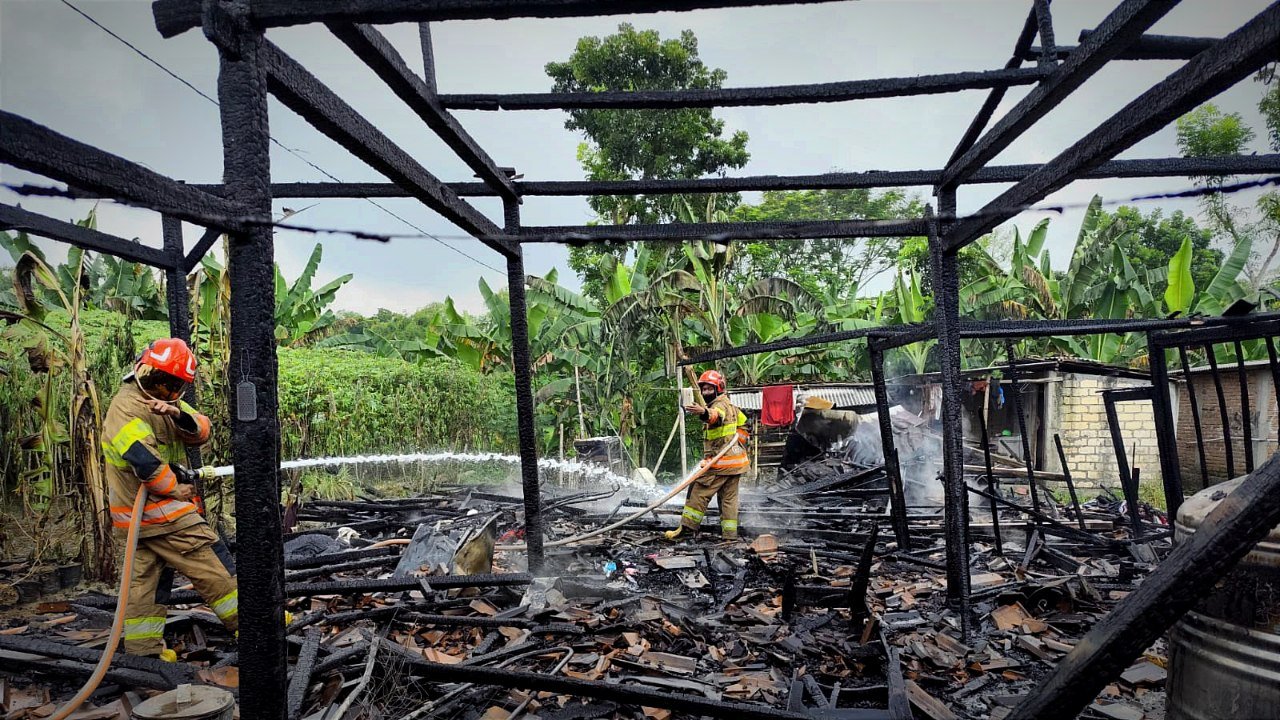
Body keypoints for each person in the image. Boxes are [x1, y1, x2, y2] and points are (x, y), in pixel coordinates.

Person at [102, 338, 236, 660]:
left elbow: (203, 430)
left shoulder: (165, 400)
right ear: (141, 369)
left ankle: (143, 652)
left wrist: (176, 413)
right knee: (210, 558)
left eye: (171, 386)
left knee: (147, 584)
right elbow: (144, 462)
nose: (162, 389)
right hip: (161, 510)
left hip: (143, 519)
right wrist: (176, 488)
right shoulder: (127, 407)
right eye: (156, 380)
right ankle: (252, 622)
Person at [665, 369, 750, 541]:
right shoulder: (731, 405)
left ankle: (687, 529)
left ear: (719, 389)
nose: (705, 392)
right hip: (736, 464)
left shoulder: (719, 405)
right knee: (728, 500)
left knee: (698, 492)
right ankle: (730, 536)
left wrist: (703, 412)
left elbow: (715, 417)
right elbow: (744, 424)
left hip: (721, 464)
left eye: (709, 389)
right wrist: (737, 443)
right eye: (703, 389)